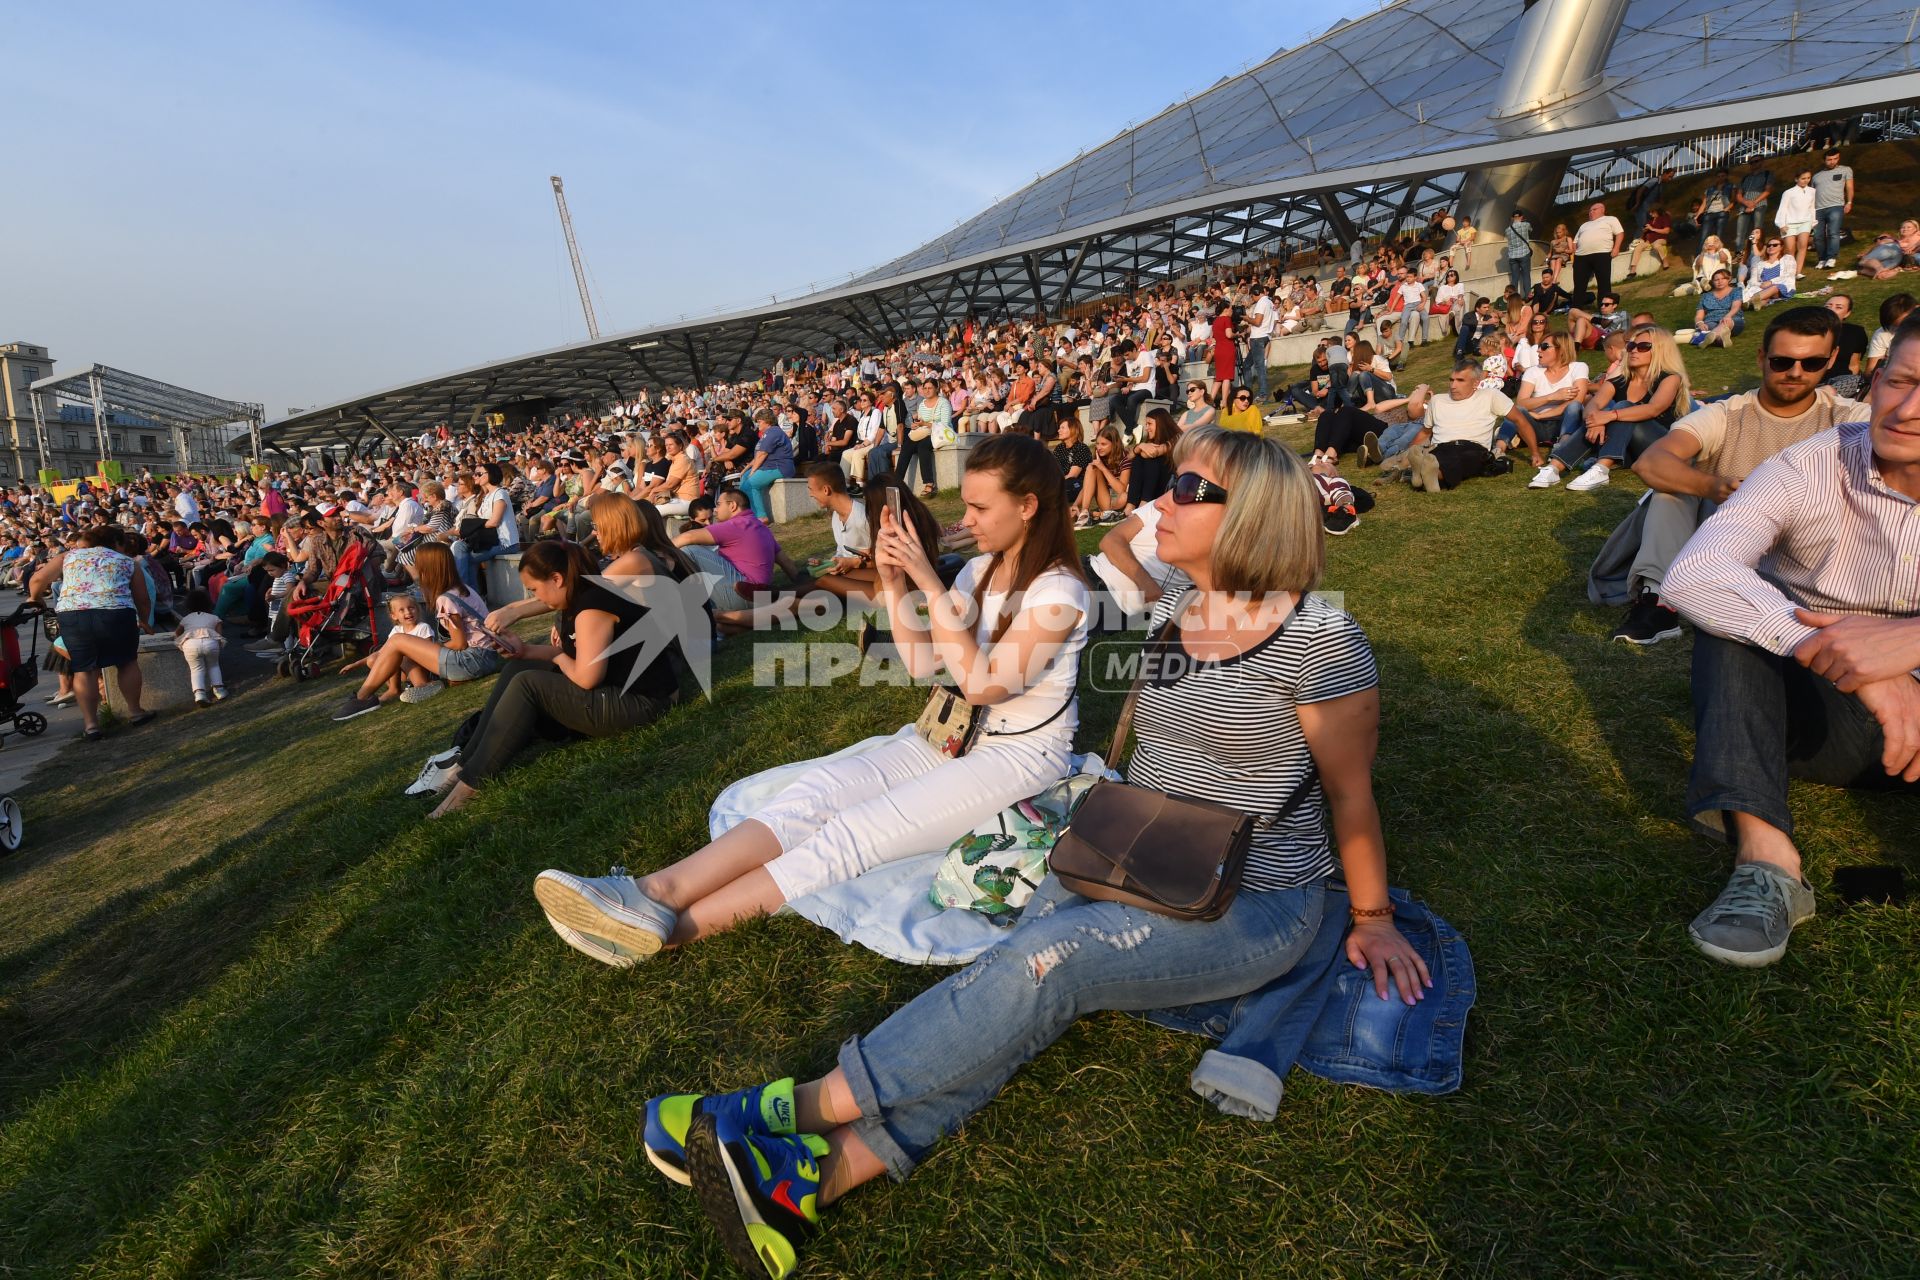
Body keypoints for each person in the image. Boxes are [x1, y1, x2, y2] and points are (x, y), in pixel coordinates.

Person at [631, 428, 1429, 1280]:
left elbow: (1351, 796)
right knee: (1019, 978)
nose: (1156, 499)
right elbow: (1117, 556)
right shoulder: (1172, 606)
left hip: (1252, 899)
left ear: (1255, 517)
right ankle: (814, 1180)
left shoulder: (1322, 643)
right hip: (1125, 847)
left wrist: (1373, 917)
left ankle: (775, 1111)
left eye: (1186, 489)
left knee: (1048, 965)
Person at [531, 432, 1090, 962]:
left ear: (1029, 506)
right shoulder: (979, 571)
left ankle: (670, 932)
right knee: (818, 793)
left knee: (857, 831)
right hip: (948, 735)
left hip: (1016, 758)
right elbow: (923, 663)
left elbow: (983, 683)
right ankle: (654, 890)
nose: (964, 519)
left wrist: (930, 583)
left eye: (979, 508)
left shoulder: (1059, 590)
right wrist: (895, 583)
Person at [1660, 312, 1920, 967]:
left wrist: (1906, 647)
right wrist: (1849, 662)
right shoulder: (1809, 465)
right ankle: (1768, 862)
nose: (1908, 409)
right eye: (1902, 381)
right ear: (1875, 380)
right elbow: (1694, 573)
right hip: (1819, 713)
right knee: (1735, 621)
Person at [1600, 307, 1867, 645]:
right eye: (1782, 362)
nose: (1796, 372)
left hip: (1808, 541)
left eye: (1811, 363)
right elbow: (1651, 462)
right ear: (1761, 358)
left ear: (1831, 360)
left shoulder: (1849, 418)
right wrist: (1716, 487)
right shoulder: (1728, 412)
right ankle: (1658, 603)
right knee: (1670, 489)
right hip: (1725, 534)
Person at [424, 539, 687, 818]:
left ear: (557, 579)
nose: (537, 597)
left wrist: (555, 655)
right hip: (624, 691)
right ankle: (466, 764)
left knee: (527, 684)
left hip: (644, 703)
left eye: (535, 589)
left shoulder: (592, 608)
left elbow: (587, 678)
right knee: (518, 668)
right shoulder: (581, 597)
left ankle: (468, 787)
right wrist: (525, 651)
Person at [331, 542, 507, 720]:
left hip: (474, 660)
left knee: (398, 640)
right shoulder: (463, 589)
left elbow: (459, 643)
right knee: (404, 646)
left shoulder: (446, 599)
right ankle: (407, 687)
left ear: (429, 569)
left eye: (419, 564)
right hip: (485, 657)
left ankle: (363, 698)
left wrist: (428, 649)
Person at [28, 524, 155, 741]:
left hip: (75, 616)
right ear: (117, 543)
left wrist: (35, 598)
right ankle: (135, 712)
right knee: (126, 662)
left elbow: (37, 580)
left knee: (84, 670)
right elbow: (143, 598)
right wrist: (143, 621)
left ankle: (91, 725)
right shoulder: (127, 562)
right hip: (117, 614)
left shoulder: (69, 557)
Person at [1527, 325, 1691, 493]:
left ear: (1660, 350)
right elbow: (1592, 405)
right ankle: (1554, 468)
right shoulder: (1619, 380)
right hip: (1631, 451)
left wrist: (1610, 415)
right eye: (1631, 346)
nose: (1634, 351)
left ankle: (1601, 469)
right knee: (1602, 415)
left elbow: (1653, 409)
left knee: (1623, 408)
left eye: (1643, 347)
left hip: (1663, 448)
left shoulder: (1670, 378)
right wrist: (1596, 421)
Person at [1407, 362, 1521, 492]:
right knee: (1437, 458)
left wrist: (1535, 453)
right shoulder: (1437, 400)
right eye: (1451, 380)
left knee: (1460, 458)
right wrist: (1409, 453)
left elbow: (1519, 419)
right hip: (1441, 447)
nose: (1453, 385)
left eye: (1460, 380)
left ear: (1475, 383)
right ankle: (1429, 476)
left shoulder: (1490, 396)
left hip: (1474, 447)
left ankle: (1425, 475)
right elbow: (1425, 433)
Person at [450, 462, 519, 595]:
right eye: (475, 474)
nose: (475, 476)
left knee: (462, 555)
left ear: (490, 475)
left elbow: (494, 522)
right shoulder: (486, 496)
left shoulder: (500, 493)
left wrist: (472, 525)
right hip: (490, 541)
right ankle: (472, 597)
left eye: (479, 474)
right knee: (461, 552)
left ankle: (465, 595)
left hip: (505, 542)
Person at [737, 408, 797, 524]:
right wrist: (747, 469)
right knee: (744, 479)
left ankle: (760, 516)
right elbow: (758, 455)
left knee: (750, 484)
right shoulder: (767, 434)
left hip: (780, 467)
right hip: (770, 466)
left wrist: (753, 471)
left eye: (759, 421)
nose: (757, 424)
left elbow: (763, 454)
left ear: (767, 421)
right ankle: (747, 514)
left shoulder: (773, 432)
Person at [172, 586, 227, 707]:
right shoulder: (214, 618)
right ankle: (219, 690)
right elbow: (218, 634)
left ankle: (199, 694)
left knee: (196, 669)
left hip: (190, 645)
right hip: (210, 643)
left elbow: (177, 632)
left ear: (188, 605)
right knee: (213, 665)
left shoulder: (186, 618)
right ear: (208, 603)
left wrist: (180, 641)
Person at [1569, 201, 1624, 308]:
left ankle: (1604, 306)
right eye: (1590, 210)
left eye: (1594, 209)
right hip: (1581, 257)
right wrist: (1576, 254)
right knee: (1579, 284)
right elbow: (1575, 241)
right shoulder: (1584, 225)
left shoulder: (1610, 219)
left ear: (1602, 210)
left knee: (1603, 282)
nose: (1591, 212)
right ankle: (1576, 308)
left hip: (1602, 253)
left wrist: (1616, 248)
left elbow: (1619, 233)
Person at [1810, 147, 1854, 270]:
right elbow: (1811, 193)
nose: (1833, 161)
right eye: (1829, 159)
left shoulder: (1845, 170)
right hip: (1817, 208)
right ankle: (1821, 258)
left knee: (1833, 232)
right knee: (1818, 235)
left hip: (1836, 206)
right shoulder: (1816, 176)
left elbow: (1849, 187)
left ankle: (1831, 257)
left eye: (1835, 159)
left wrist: (1849, 202)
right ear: (1824, 160)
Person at [1773, 170, 1817, 275]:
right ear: (1796, 179)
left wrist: (1812, 222)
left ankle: (1798, 272)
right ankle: (1789, 272)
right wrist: (1781, 224)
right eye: (1803, 178)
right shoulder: (1788, 192)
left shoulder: (1812, 191)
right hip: (1790, 223)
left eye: (1808, 178)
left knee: (1802, 246)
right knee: (1790, 249)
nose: (1806, 180)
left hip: (1805, 222)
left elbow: (1812, 207)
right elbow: (1782, 208)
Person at [1691, 269, 1745, 348]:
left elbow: (1736, 306)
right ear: (1712, 282)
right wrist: (1700, 323)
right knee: (1707, 327)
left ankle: (1711, 336)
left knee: (1726, 322)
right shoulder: (1705, 296)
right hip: (1711, 321)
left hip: (1732, 319)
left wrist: (1728, 316)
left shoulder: (1736, 291)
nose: (1720, 281)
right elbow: (1699, 316)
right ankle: (1721, 339)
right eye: (1716, 280)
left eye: (1723, 278)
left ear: (1729, 279)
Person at [1742, 233, 1797, 310]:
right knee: (1767, 299)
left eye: (1775, 245)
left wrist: (1771, 282)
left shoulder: (1788, 258)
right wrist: (1761, 284)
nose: (1771, 247)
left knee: (1774, 287)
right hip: (1763, 289)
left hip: (1782, 287)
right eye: (1769, 245)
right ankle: (1751, 306)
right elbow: (1752, 280)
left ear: (1781, 247)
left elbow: (1788, 276)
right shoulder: (1760, 263)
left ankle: (1749, 301)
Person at [1731, 160, 1774, 250]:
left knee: (1757, 230)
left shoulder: (1767, 174)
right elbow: (1739, 194)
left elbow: (1768, 191)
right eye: (1752, 162)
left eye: (1756, 161)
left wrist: (1754, 202)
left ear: (1762, 162)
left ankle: (1755, 252)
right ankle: (1739, 253)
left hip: (1760, 204)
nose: (1754, 163)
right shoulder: (1745, 177)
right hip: (1744, 206)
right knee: (1740, 232)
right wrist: (1746, 202)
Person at [1504, 209, 1534, 297]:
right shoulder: (1526, 225)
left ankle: (1513, 297)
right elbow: (1531, 230)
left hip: (1512, 256)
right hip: (1524, 253)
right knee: (1526, 275)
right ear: (1521, 217)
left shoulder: (1507, 230)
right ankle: (1528, 295)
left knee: (1514, 278)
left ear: (1512, 218)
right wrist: (1523, 221)